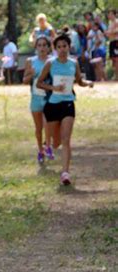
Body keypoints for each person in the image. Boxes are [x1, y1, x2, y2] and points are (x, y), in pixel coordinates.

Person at [37, 35, 93, 186]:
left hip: (68, 104)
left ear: (69, 47)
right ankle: (47, 145)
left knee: (66, 140)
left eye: (65, 46)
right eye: (59, 47)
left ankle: (65, 173)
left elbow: (79, 81)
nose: (62, 49)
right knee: (56, 143)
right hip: (53, 105)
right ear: (55, 49)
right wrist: (53, 88)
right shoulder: (50, 63)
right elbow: (39, 83)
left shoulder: (73, 64)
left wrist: (88, 83)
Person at [23, 37, 54, 164]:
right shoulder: (30, 61)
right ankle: (40, 150)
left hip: (49, 98)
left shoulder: (53, 61)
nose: (42, 48)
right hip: (35, 98)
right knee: (38, 128)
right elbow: (24, 81)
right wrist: (31, 74)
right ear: (36, 48)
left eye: (44, 45)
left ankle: (48, 147)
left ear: (48, 47)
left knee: (48, 124)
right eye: (39, 45)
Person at [106, 9, 118, 80]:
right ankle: (116, 76)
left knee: (117, 59)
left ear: (114, 14)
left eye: (110, 14)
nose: (109, 15)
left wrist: (110, 32)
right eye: (108, 14)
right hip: (112, 42)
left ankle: (117, 77)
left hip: (116, 41)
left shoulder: (117, 21)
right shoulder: (110, 23)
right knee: (113, 59)